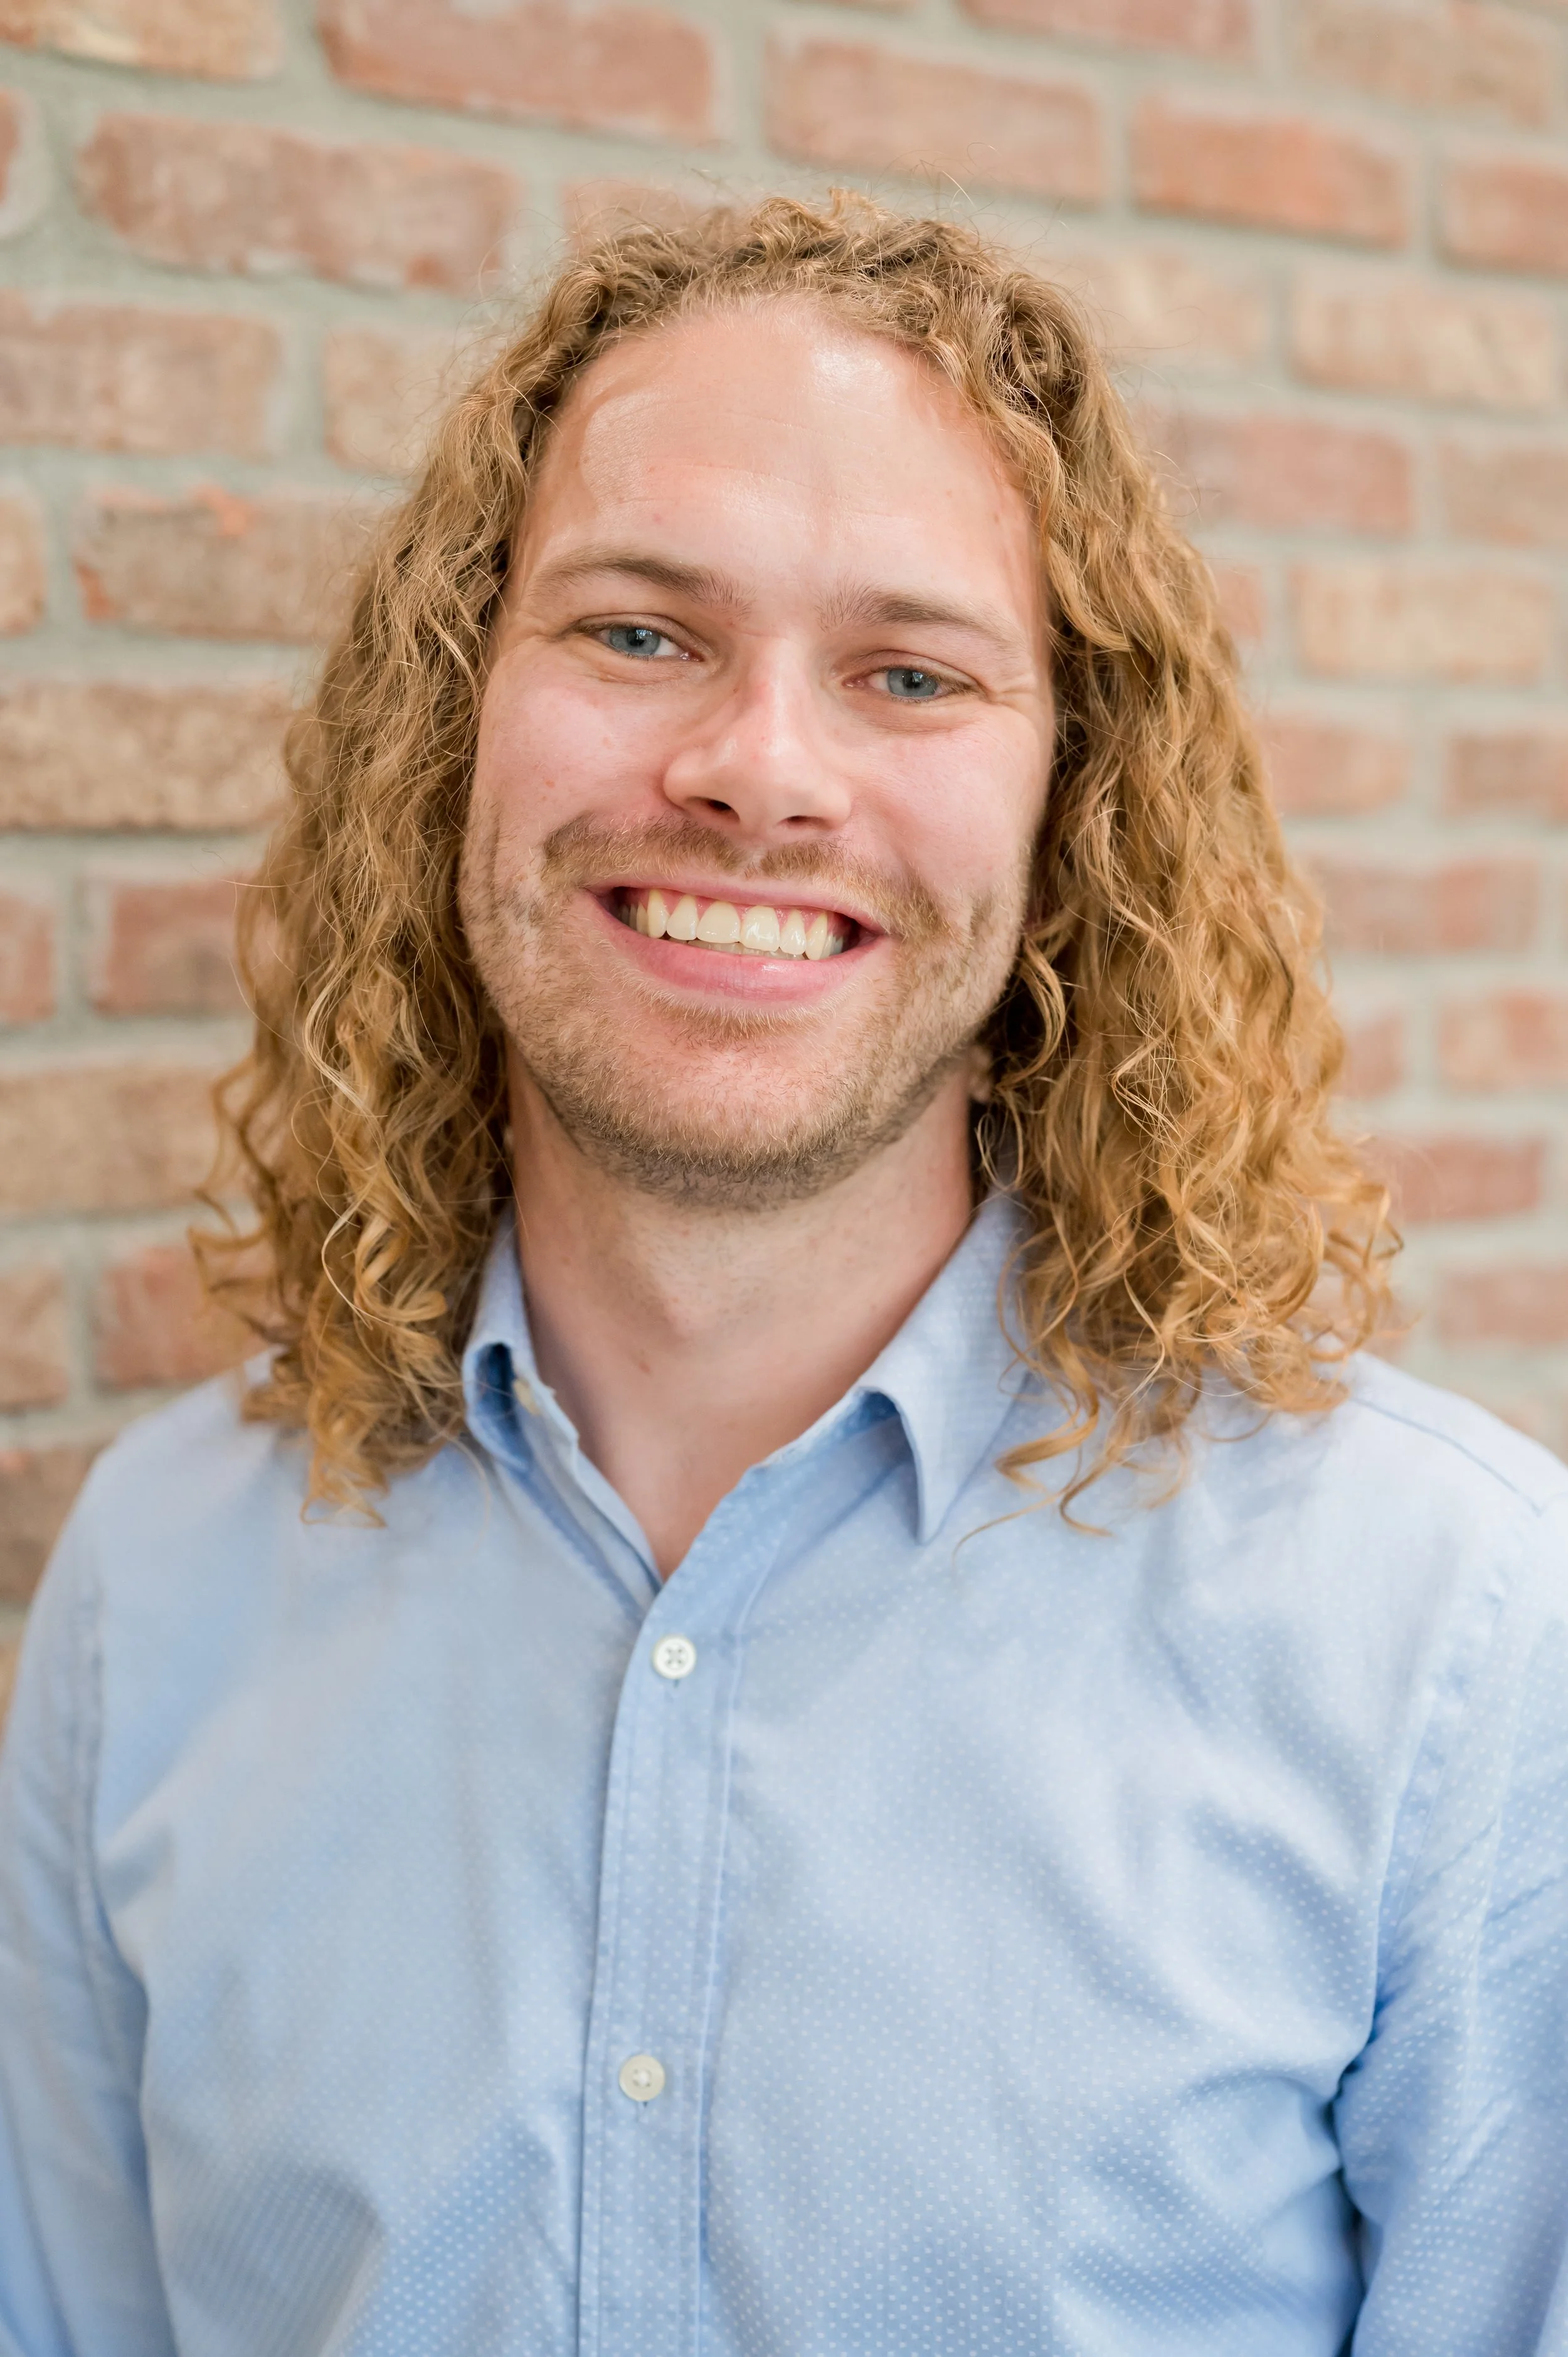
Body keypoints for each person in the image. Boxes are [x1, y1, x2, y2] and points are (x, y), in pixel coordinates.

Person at [1, 194, 1564, 2357]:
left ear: (1066, 811)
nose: (754, 767)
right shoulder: (157, 1588)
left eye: (908, 673)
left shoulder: (1453, 1645)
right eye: (638, 632)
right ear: (456, 714)